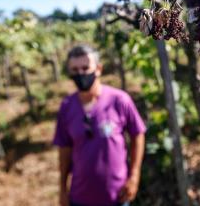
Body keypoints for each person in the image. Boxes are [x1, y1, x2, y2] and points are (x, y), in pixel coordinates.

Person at [52, 44, 146, 206]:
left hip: (117, 196)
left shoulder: (119, 100)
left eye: (85, 68)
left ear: (98, 69)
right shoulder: (67, 107)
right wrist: (62, 189)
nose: (80, 74)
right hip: (80, 198)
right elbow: (64, 151)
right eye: (74, 70)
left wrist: (134, 176)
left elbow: (138, 134)